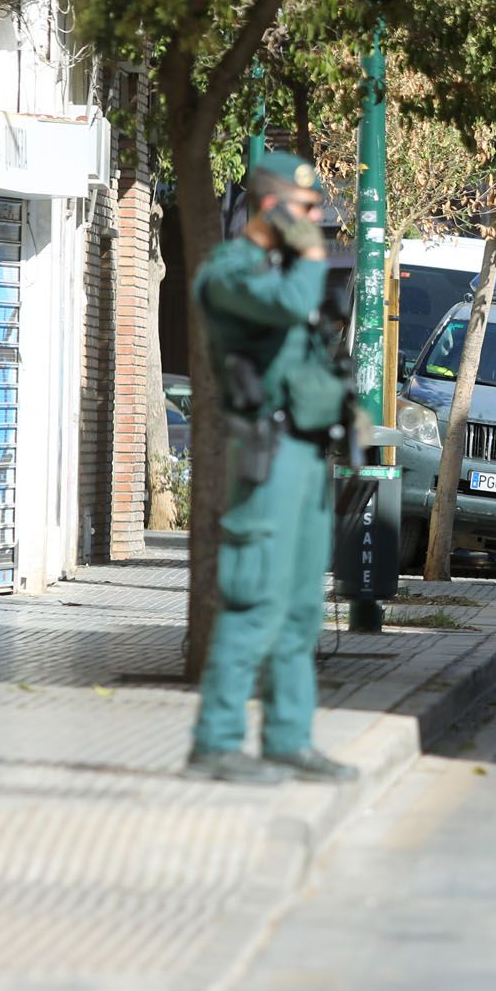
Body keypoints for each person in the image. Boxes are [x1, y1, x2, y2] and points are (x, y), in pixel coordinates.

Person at [185, 149, 357, 786]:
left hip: (309, 454)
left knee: (301, 607)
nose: (318, 220)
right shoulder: (230, 272)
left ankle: (289, 739)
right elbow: (285, 308)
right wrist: (311, 256)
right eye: (307, 208)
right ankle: (217, 741)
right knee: (255, 597)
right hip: (267, 454)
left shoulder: (287, 269)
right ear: (271, 206)